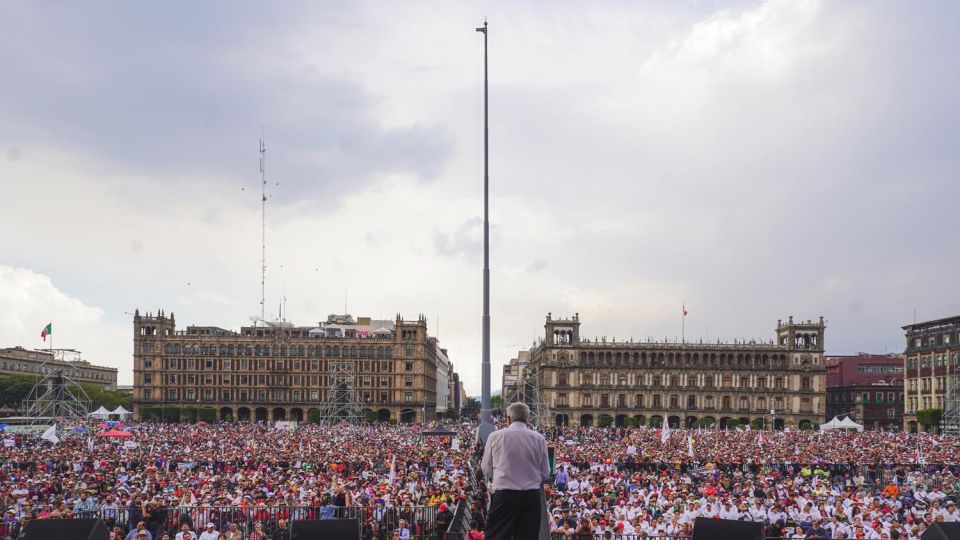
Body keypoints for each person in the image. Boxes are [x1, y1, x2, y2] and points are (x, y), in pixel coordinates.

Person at [481, 403, 550, 540]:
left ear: (509, 419)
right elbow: (545, 473)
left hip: (504, 496)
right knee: (527, 536)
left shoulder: (495, 436)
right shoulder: (539, 439)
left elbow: (486, 469)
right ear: (527, 419)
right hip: (531, 497)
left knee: (496, 535)